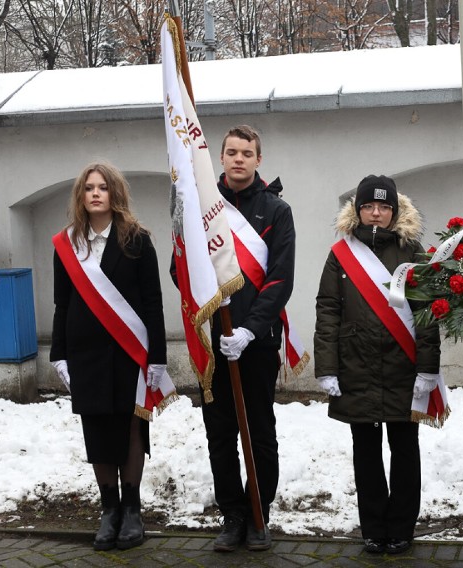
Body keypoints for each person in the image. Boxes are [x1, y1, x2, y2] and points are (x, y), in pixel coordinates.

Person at [171, 125, 296, 553]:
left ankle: (259, 512)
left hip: (256, 341)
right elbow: (180, 269)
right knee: (220, 431)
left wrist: (249, 328)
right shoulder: (203, 209)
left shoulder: (277, 211)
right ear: (220, 159)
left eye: (247, 152)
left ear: (259, 160)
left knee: (259, 430)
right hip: (212, 342)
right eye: (231, 152)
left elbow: (280, 278)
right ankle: (233, 515)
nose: (239, 159)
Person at [314, 175, 442, 556]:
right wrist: (327, 367)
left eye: (384, 207)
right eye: (369, 206)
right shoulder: (341, 254)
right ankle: (373, 528)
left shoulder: (413, 250)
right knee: (365, 451)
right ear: (357, 210)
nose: (376, 213)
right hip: (357, 366)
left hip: (403, 366)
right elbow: (328, 310)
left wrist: (428, 369)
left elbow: (427, 314)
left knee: (405, 449)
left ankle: (401, 527)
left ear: (394, 212)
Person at [50, 162, 169, 551]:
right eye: (89, 188)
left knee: (130, 428)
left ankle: (132, 511)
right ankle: (109, 511)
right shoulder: (67, 245)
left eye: (103, 187)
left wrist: (157, 357)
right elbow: (62, 305)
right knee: (97, 431)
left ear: (115, 193)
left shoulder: (137, 240)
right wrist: (59, 355)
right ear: (80, 196)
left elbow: (153, 303)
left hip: (128, 353)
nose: (96, 193)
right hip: (85, 356)